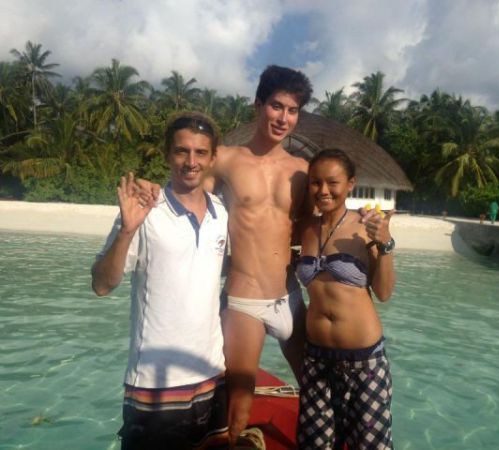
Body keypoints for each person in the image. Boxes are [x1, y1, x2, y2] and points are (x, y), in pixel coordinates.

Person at [136, 65, 313, 445]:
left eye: (293, 110)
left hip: (290, 297)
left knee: (316, 390)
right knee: (238, 411)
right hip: (245, 301)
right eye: (276, 106)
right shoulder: (226, 160)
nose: (283, 118)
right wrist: (150, 190)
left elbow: (321, 222)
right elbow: (185, 189)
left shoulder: (302, 170)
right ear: (258, 105)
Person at [92, 112, 229, 449]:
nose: (191, 162)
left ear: (213, 158)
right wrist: (127, 230)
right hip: (154, 384)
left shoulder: (221, 213)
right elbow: (102, 285)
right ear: (168, 155)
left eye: (200, 152)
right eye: (182, 151)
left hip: (211, 374)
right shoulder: (144, 210)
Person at [295, 148, 395, 449]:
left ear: (350, 184)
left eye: (332, 182)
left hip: (364, 360)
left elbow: (384, 292)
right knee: (314, 443)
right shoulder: (305, 229)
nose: (323, 190)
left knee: (370, 444)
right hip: (316, 358)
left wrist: (385, 244)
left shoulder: (366, 227)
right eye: (315, 182)